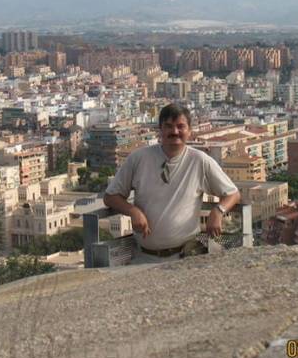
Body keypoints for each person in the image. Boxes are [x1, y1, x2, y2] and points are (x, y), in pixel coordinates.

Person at [103, 104, 241, 263]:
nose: (174, 132)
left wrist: (218, 211)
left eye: (180, 126)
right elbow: (110, 196)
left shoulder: (199, 161)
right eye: (168, 126)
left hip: (186, 256)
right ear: (160, 130)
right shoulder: (139, 159)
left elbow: (233, 193)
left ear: (189, 131)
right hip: (144, 257)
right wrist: (133, 211)